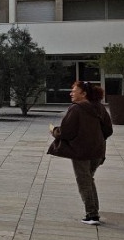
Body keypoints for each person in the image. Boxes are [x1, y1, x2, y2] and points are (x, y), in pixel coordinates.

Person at [48, 80, 113, 224]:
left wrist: (54, 131)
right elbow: (108, 130)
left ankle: (92, 215)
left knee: (84, 181)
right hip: (98, 150)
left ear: (83, 94)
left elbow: (66, 132)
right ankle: (94, 211)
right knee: (88, 179)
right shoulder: (99, 108)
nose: (71, 93)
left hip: (81, 151)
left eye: (74, 91)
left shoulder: (76, 109)